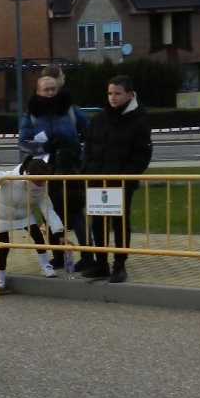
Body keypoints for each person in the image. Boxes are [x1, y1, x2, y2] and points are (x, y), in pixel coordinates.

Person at [80, 75, 152, 284]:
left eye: (117, 93)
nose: (112, 97)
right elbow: (89, 147)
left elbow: (142, 155)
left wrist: (126, 176)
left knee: (119, 223)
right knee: (98, 221)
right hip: (96, 179)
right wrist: (86, 170)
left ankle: (119, 264)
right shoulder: (99, 119)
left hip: (120, 182)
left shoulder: (138, 121)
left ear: (129, 95)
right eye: (110, 93)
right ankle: (101, 262)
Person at [18, 69, 89, 277]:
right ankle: (58, 255)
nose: (50, 92)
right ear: (38, 92)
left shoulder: (71, 109)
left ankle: (87, 255)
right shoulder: (31, 114)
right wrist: (44, 147)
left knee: (76, 211)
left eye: (53, 89)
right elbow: (23, 142)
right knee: (49, 211)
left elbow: (90, 131)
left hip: (71, 166)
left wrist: (78, 150)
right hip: (46, 168)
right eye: (45, 89)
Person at [0, 157, 64, 292]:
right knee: (3, 246)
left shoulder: (41, 188)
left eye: (44, 180)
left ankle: (45, 266)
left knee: (38, 237)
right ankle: (0, 279)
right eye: (39, 180)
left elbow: (48, 209)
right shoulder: (9, 177)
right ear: (28, 175)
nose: (42, 184)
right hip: (2, 215)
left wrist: (59, 232)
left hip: (25, 215)